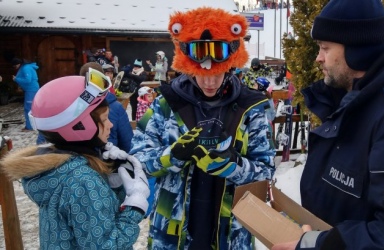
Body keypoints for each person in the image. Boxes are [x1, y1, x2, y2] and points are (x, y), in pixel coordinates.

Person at [272, 0, 384, 249]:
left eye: (325, 48)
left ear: (357, 51)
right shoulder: (353, 106)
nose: (318, 58)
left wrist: (314, 245)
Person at [130, 6, 275, 249]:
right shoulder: (166, 104)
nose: (210, 81)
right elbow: (137, 160)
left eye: (217, 72)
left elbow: (267, 171)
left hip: (231, 234)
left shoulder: (251, 108)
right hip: (173, 233)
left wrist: (235, 166)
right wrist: (172, 156)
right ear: (189, 66)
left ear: (229, 66)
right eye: (202, 72)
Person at [0, 70, 149, 249]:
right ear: (79, 127)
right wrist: (135, 206)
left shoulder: (57, 167)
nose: (110, 125)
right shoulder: (82, 181)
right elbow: (106, 246)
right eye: (104, 119)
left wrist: (113, 185)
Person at [36, 62, 133, 153]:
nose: (110, 125)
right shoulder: (115, 107)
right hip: (104, 162)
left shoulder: (64, 106)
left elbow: (44, 142)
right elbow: (127, 143)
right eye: (104, 119)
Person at [11, 57, 40, 132]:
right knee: (33, 108)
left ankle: (29, 127)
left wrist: (16, 79)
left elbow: (28, 80)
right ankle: (35, 124)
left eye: (14, 66)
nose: (15, 68)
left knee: (28, 109)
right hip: (32, 89)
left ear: (18, 64)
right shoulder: (27, 67)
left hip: (31, 90)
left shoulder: (25, 68)